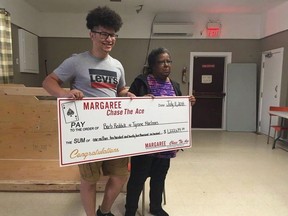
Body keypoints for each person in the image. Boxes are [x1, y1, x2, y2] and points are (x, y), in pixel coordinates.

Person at [42, 6, 135, 216]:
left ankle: (105, 211)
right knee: (89, 180)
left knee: (120, 175)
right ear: (91, 34)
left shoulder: (117, 65)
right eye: (104, 34)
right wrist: (64, 94)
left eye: (112, 35)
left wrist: (127, 93)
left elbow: (120, 89)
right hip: (87, 132)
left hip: (114, 129)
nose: (109, 39)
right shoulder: (76, 61)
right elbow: (49, 81)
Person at [125, 47, 196, 216]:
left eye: (168, 61)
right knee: (137, 179)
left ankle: (155, 207)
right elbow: (129, 107)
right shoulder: (142, 82)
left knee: (159, 178)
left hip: (166, 144)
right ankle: (131, 210)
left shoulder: (175, 85)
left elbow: (178, 112)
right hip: (144, 144)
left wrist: (188, 102)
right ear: (152, 65)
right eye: (161, 62)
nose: (166, 65)